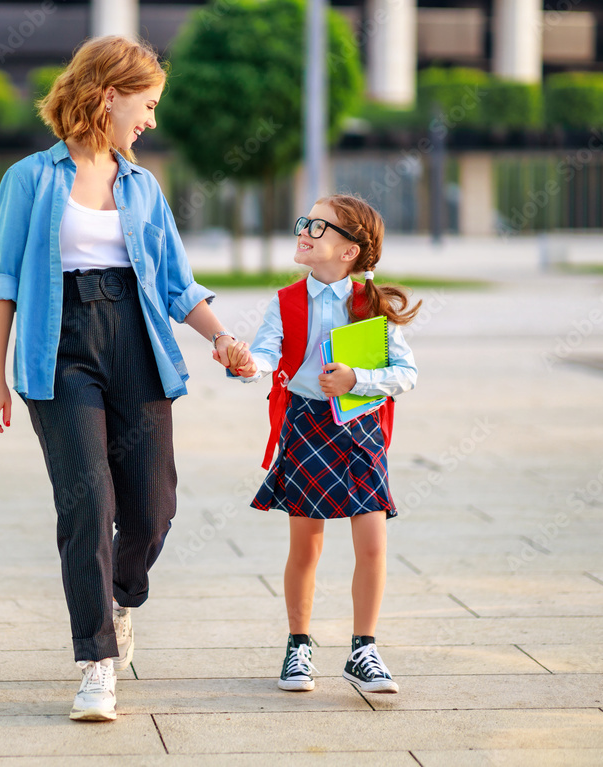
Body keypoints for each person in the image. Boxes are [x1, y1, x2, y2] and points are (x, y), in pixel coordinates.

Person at [0, 35, 241, 722]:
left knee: (153, 509)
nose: (151, 120)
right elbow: (3, 282)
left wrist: (224, 340)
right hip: (59, 353)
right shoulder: (30, 179)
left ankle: (124, 596)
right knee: (86, 506)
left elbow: (179, 283)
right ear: (107, 95)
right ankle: (96, 661)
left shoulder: (142, 187)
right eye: (146, 104)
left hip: (138, 347)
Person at [227, 194, 420, 695]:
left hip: (360, 430)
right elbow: (269, 354)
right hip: (307, 425)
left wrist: (358, 377)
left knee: (373, 544)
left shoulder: (369, 305)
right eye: (305, 222)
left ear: (349, 251)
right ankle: (298, 646)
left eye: (319, 226)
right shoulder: (286, 301)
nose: (305, 230)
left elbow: (406, 373)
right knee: (306, 546)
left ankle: (364, 649)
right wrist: (250, 363)